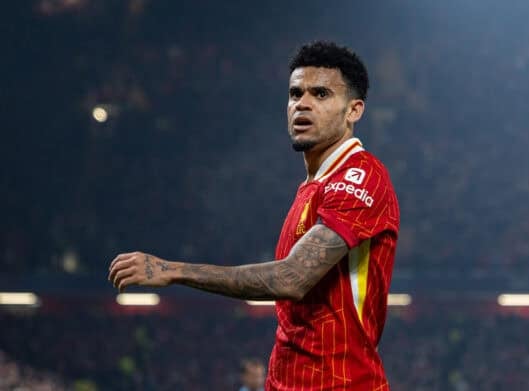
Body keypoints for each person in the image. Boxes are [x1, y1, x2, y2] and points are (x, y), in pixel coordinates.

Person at [108, 41, 400, 390]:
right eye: (295, 94)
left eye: (321, 94)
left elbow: (291, 279)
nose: (302, 104)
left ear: (354, 110)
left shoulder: (361, 175)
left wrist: (172, 270)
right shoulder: (313, 186)